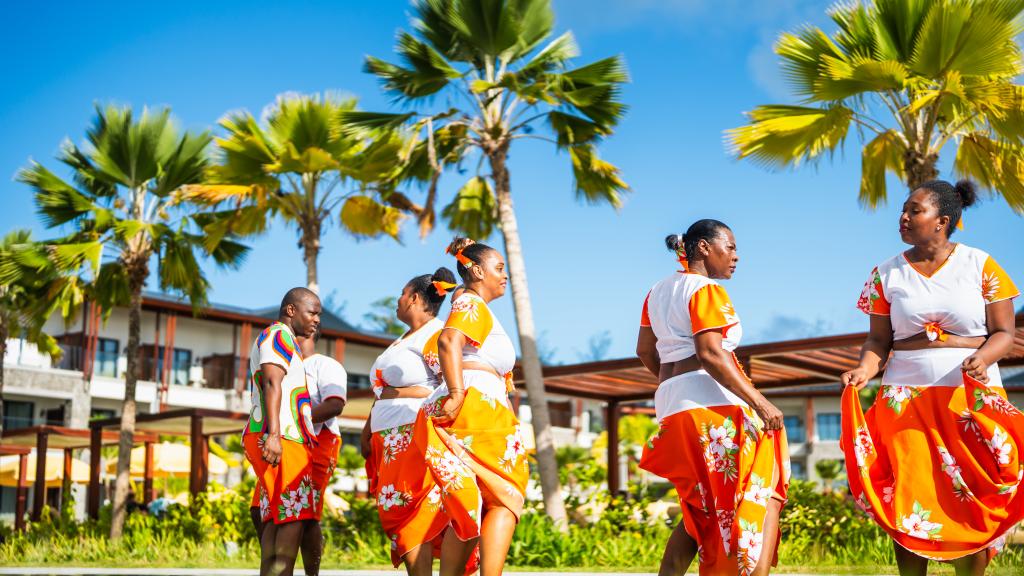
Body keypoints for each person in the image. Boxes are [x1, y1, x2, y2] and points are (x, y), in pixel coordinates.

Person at [840, 179, 1023, 576]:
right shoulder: (885, 273)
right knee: (910, 493)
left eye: (914, 210)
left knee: (970, 493)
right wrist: (864, 371)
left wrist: (982, 357)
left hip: (969, 397)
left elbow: (1005, 333)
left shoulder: (981, 264)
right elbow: (877, 340)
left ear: (942, 220)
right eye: (903, 210)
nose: (903, 218)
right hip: (904, 399)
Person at [636, 221, 789, 576]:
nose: (736, 256)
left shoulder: (656, 291)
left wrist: (676, 385)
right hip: (712, 407)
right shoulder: (706, 290)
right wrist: (761, 402)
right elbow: (711, 353)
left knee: (700, 506)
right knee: (762, 493)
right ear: (704, 247)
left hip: (673, 405)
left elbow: (645, 351)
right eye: (731, 247)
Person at [417, 238, 528, 576]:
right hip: (476, 404)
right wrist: (456, 392)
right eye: (499, 268)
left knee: (473, 504)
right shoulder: (472, 303)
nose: (505, 275)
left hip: (480, 403)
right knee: (505, 498)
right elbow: (449, 340)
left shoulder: (469, 302)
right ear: (478, 271)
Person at [360, 267, 458, 575]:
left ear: (415, 298)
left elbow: (447, 385)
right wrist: (366, 428)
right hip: (387, 434)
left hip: (411, 432)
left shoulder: (435, 335)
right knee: (398, 509)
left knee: (412, 510)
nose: (399, 300)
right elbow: (382, 393)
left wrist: (403, 391)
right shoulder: (404, 339)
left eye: (403, 294)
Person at [242, 287, 321, 576]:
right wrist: (274, 435)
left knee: (276, 517)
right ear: (291, 310)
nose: (316, 320)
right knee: (293, 515)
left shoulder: (284, 340)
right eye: (311, 312)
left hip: (279, 435)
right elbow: (272, 382)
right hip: (282, 437)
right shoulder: (278, 335)